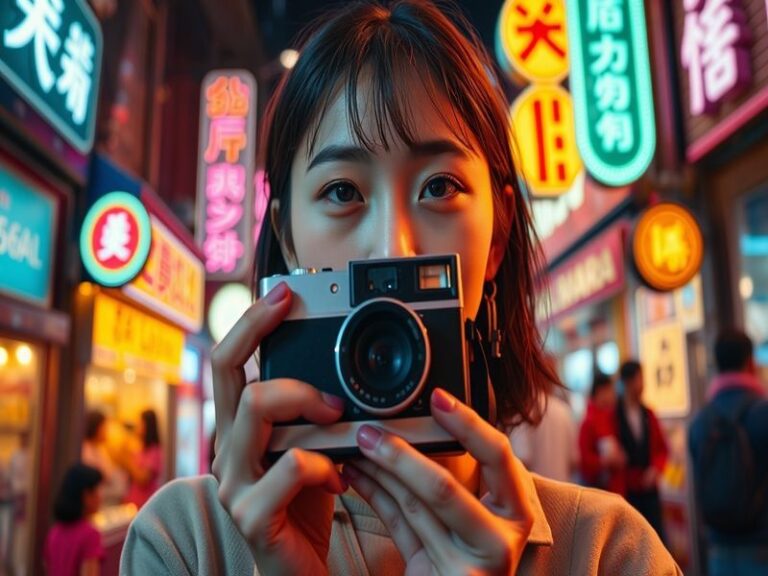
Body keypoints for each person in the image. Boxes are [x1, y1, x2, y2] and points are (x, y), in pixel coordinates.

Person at [121, 2, 680, 574]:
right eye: (342, 192)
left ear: (498, 234)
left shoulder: (608, 551)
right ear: (286, 236)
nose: (393, 248)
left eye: (440, 185)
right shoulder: (184, 543)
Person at [688, 329, 768, 576]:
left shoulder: (699, 422)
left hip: (718, 545)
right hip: (760, 543)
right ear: (750, 362)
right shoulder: (762, 413)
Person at [615, 360, 668, 542]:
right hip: (625, 492)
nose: (642, 385)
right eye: (639, 379)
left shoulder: (648, 414)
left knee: (656, 540)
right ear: (628, 382)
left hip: (650, 491)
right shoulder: (613, 415)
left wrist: (655, 469)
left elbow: (662, 449)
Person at [508, 366, 578, 482]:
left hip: (536, 493)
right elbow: (574, 461)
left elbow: (522, 459)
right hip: (563, 492)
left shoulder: (525, 412)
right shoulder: (564, 411)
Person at [43, 463, 104, 576]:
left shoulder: (54, 531)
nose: (100, 497)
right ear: (86, 495)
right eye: (97, 490)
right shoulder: (90, 534)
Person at [578, 372, 626, 495]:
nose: (614, 395)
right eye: (611, 390)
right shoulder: (588, 422)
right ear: (601, 391)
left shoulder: (613, 417)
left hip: (615, 490)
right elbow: (584, 462)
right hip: (599, 492)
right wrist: (606, 462)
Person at [81, 410, 128, 506]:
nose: (107, 431)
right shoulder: (86, 450)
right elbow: (103, 477)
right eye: (104, 427)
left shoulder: (99, 449)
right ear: (96, 427)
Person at [124, 409, 163, 509]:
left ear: (147, 426)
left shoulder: (154, 451)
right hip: (134, 503)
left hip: (145, 505)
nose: (137, 426)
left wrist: (128, 459)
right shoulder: (141, 448)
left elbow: (143, 478)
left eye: (140, 423)